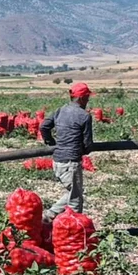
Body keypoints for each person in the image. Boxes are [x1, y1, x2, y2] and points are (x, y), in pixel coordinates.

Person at [40, 83, 95, 222]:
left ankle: (52, 217)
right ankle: (71, 226)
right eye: (87, 97)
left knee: (73, 193)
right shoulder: (84, 116)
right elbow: (88, 144)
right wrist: (83, 149)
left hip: (57, 160)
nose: (88, 101)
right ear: (82, 98)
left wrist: (51, 141)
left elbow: (44, 126)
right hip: (71, 162)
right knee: (75, 200)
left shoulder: (60, 110)